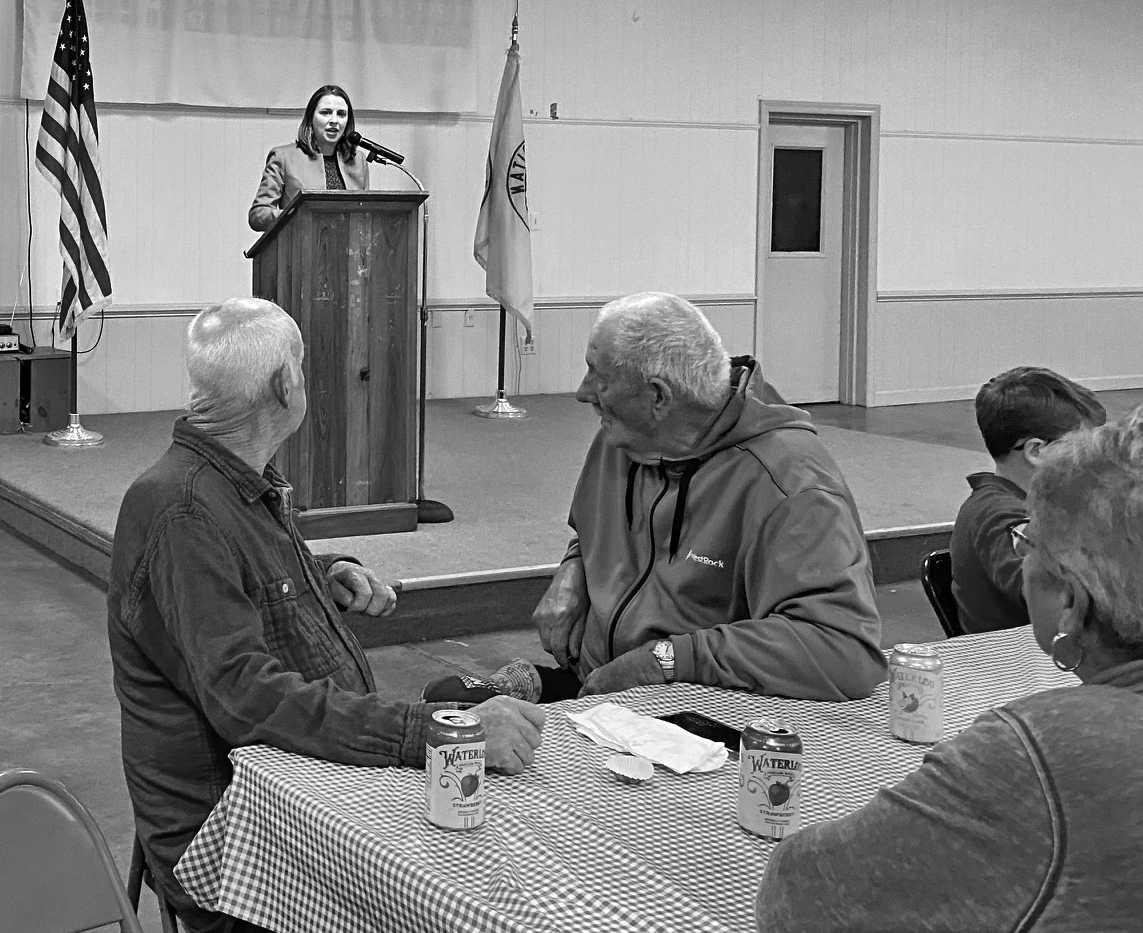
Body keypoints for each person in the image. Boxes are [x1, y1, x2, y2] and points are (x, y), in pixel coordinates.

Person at [106, 298, 545, 933]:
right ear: (286, 385)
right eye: (304, 370)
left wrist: (318, 574)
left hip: (298, 794)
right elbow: (246, 698)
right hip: (235, 845)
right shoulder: (184, 509)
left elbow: (233, 581)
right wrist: (431, 732)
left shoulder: (224, 483)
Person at [755, 408, 1143, 932]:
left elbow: (802, 898)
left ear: (1071, 600)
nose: (1022, 554)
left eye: (1028, 541)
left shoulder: (1049, 750)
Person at [426, 292, 885, 704]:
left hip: (689, 709)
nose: (583, 393)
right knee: (445, 707)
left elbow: (843, 650)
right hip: (598, 688)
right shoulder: (628, 435)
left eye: (598, 376)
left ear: (659, 397)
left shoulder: (791, 486)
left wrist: (668, 660)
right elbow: (594, 532)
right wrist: (573, 573)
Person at [951, 366, 1105, 633]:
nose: (1094, 460)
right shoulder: (996, 513)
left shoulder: (1043, 505)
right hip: (1016, 662)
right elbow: (1047, 593)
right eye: (1083, 448)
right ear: (1036, 451)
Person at [248, 84, 368, 232]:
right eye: (326, 113)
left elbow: (364, 213)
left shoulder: (358, 160)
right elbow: (258, 215)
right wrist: (293, 216)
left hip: (348, 250)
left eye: (341, 114)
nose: (334, 120)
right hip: (301, 247)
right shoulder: (284, 157)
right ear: (311, 118)